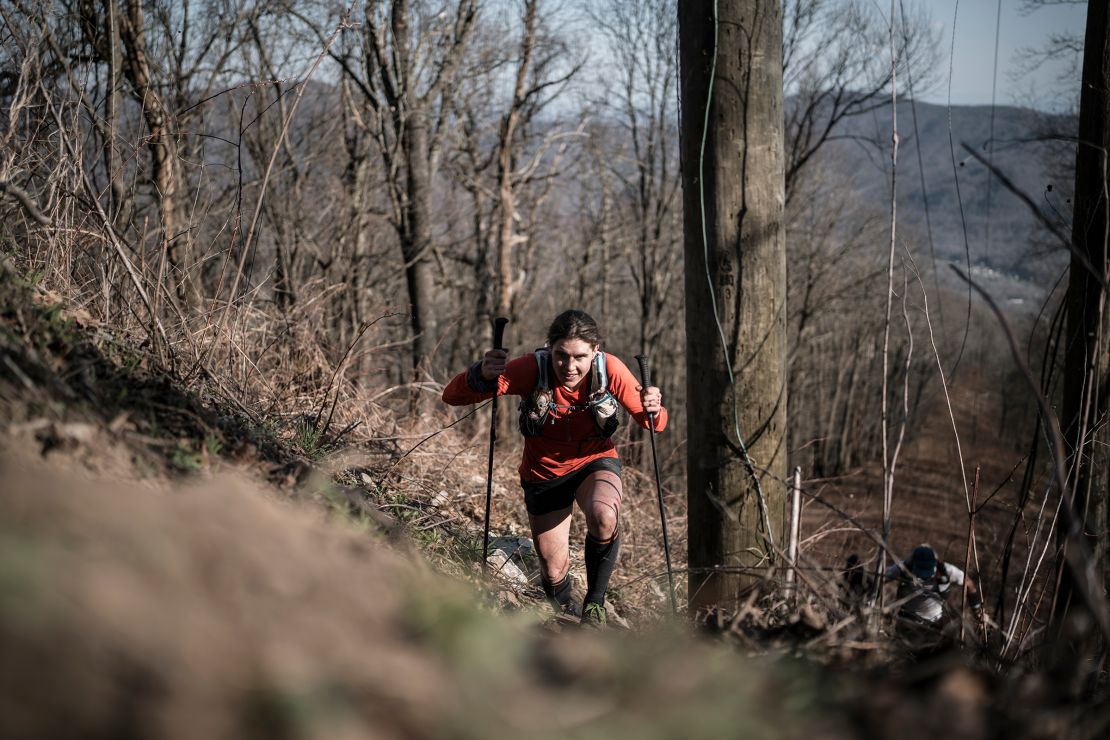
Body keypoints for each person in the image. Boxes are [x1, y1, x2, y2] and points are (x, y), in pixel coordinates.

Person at [442, 310, 667, 627]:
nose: (570, 366)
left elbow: (653, 424)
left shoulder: (609, 369)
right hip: (544, 474)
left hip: (595, 461)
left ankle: (595, 606)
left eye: (579, 357)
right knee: (552, 572)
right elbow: (451, 396)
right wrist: (480, 373)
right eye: (561, 355)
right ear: (550, 349)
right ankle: (565, 620)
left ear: (595, 352)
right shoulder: (531, 369)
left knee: (604, 516)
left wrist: (653, 407)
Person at [883, 544, 982, 626]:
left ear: (935, 563)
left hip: (935, 623)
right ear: (912, 562)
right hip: (907, 621)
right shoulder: (903, 568)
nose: (924, 577)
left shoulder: (947, 571)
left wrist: (977, 611)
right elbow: (881, 578)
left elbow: (968, 583)